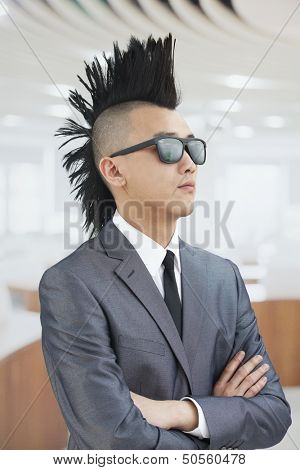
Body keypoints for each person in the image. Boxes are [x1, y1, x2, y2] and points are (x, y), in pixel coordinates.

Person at [39, 33, 292, 450]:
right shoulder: (71, 283)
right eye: (169, 148)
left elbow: (274, 413)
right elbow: (113, 437)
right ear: (114, 171)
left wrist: (183, 412)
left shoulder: (222, 277)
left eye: (193, 146)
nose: (190, 162)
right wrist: (217, 418)